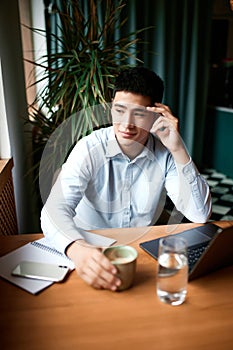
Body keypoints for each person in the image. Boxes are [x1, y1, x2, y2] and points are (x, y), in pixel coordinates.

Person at [41, 66, 212, 291]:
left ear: (155, 114)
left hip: (139, 256)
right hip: (87, 252)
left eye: (139, 114)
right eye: (120, 110)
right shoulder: (89, 148)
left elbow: (199, 213)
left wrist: (177, 147)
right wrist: (77, 249)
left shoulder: (166, 152)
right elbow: (54, 210)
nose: (127, 124)